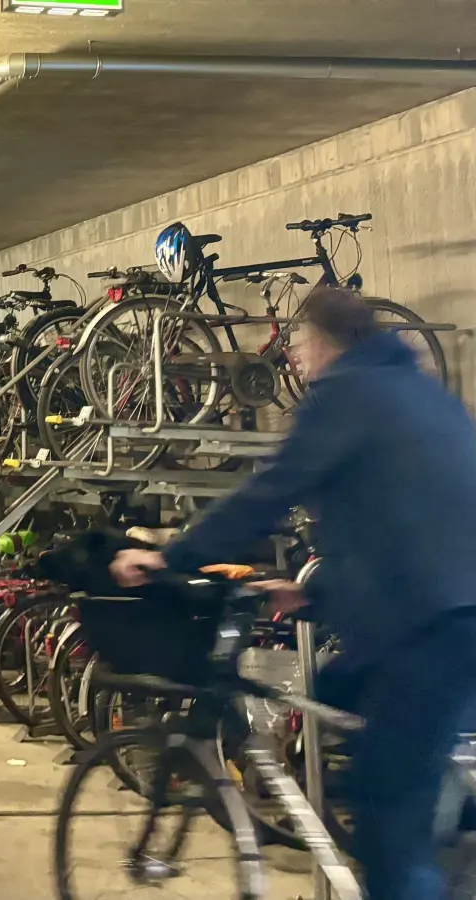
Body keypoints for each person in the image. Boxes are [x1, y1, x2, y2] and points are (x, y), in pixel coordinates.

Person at [110, 286, 476, 900]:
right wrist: (315, 591)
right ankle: (440, 815)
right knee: (333, 696)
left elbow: (269, 493)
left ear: (325, 340)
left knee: (389, 813)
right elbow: (403, 520)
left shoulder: (344, 396)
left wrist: (169, 556)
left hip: (425, 627)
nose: (294, 359)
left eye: (299, 343)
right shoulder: (423, 396)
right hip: (441, 611)